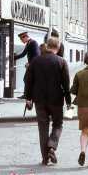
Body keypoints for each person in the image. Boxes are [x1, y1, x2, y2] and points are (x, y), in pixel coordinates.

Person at [24, 37, 71, 166]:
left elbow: (28, 81)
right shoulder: (61, 61)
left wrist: (28, 98)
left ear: (48, 46)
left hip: (39, 100)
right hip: (56, 99)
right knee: (58, 124)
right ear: (58, 47)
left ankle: (45, 158)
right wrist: (68, 101)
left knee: (42, 128)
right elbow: (66, 84)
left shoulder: (35, 61)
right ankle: (52, 146)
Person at [14, 32, 40, 99]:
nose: (21, 41)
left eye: (21, 39)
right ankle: (28, 95)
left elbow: (37, 56)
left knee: (27, 79)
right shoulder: (29, 43)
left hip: (34, 66)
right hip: (32, 65)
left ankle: (28, 95)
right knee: (27, 79)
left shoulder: (33, 43)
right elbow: (23, 54)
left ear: (25, 37)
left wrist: (30, 63)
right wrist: (13, 58)